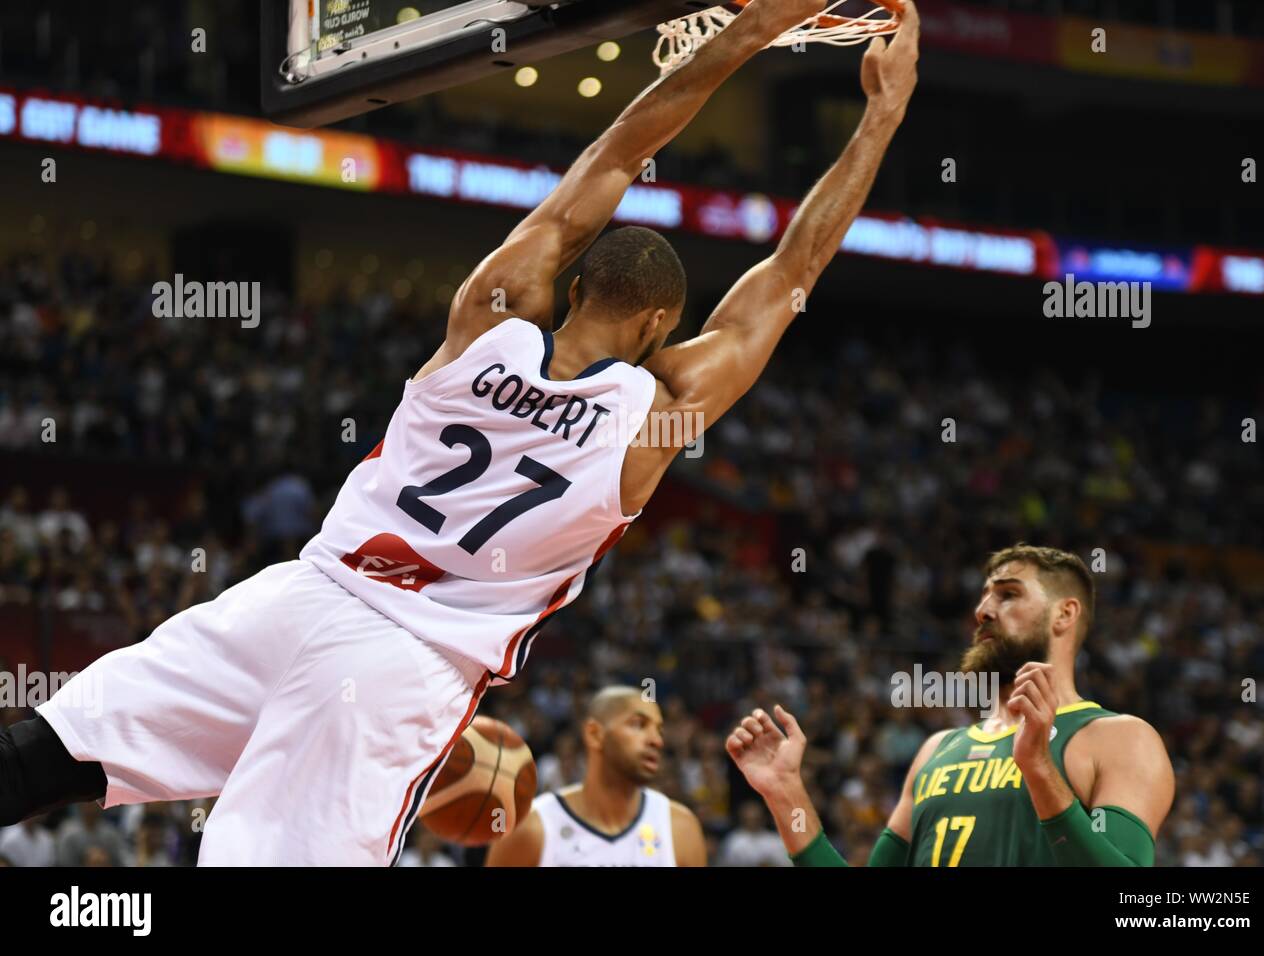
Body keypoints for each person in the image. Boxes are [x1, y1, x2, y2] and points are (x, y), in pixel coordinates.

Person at [0, 0, 920, 865]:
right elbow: (791, 275)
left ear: (576, 290)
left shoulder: (489, 322)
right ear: (657, 327)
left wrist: (752, 26)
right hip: (404, 664)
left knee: (48, 754)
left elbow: (608, 162)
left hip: (297, 595)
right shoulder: (656, 416)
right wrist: (881, 113)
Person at [727, 545, 1176, 866]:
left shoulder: (1121, 739)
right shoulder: (936, 749)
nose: (983, 609)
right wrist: (786, 794)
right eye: (984, 595)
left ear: (1064, 614)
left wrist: (1039, 769)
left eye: (1008, 594)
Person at [485, 687, 706, 866]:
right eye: (638, 725)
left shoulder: (680, 828)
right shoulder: (530, 828)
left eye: (659, 730)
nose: (656, 740)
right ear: (594, 734)